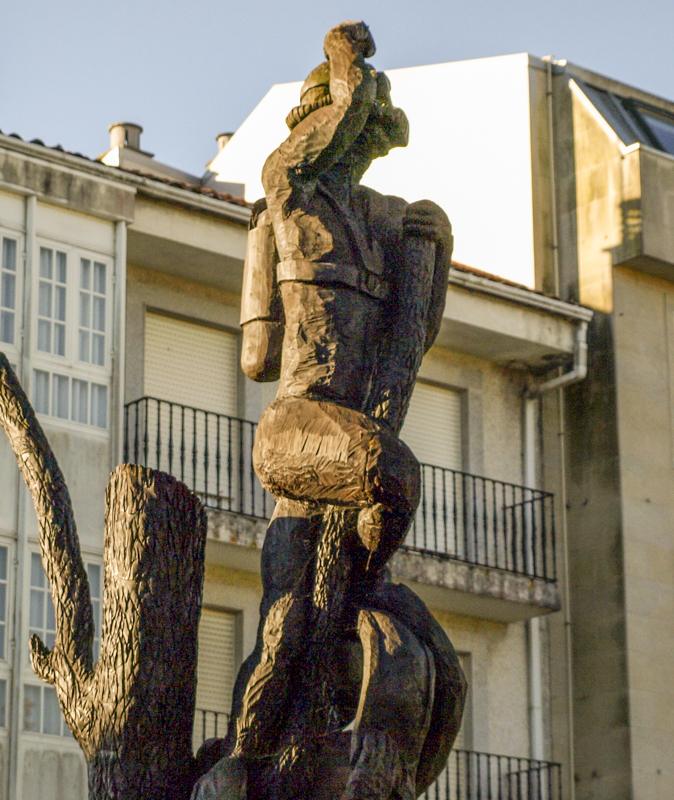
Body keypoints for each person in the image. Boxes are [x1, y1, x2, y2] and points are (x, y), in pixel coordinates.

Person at [228, 19, 455, 779]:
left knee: (318, 639)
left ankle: (335, 759)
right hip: (296, 430)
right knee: (389, 475)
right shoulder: (281, 199)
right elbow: (258, 358)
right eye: (346, 121)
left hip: (353, 441)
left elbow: (413, 339)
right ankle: (242, 761)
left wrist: (440, 249)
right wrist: (346, 64)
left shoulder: (393, 222)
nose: (353, 139)